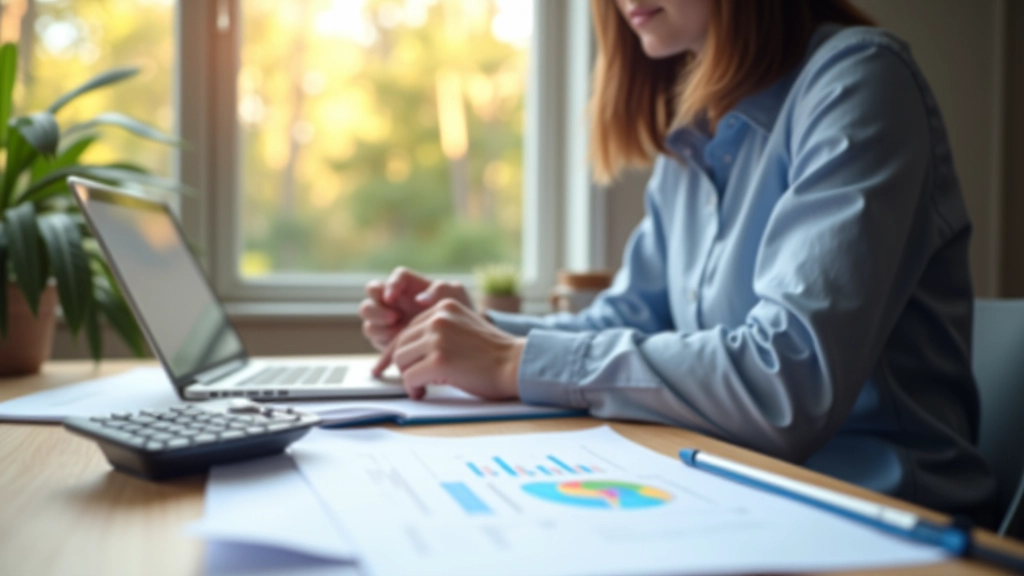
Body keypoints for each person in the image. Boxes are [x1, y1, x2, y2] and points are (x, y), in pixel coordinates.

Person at [360, 0, 996, 520]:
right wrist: (473, 332)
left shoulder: (858, 80)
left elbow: (789, 382)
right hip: (737, 491)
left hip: (883, 519)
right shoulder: (694, 138)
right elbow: (629, 321)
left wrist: (509, 360)